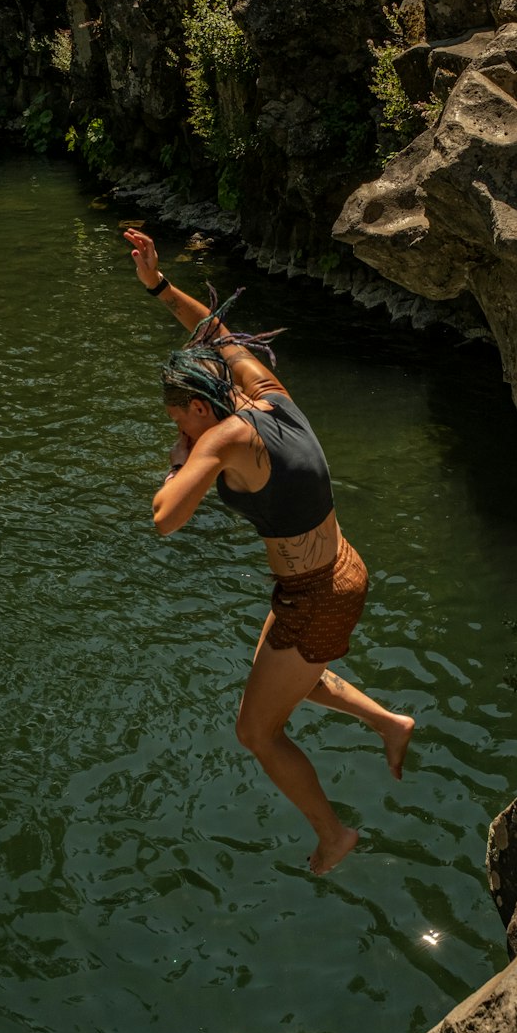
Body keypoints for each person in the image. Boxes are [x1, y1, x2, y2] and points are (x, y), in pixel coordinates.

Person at [124, 227, 415, 876]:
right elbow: (215, 329)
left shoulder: (223, 440)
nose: (178, 432)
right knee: (286, 678)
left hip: (317, 597)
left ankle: (334, 835)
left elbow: (166, 520)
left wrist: (178, 466)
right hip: (339, 569)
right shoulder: (263, 392)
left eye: (180, 422)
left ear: (199, 409)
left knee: (255, 731)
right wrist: (158, 283)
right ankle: (390, 724)